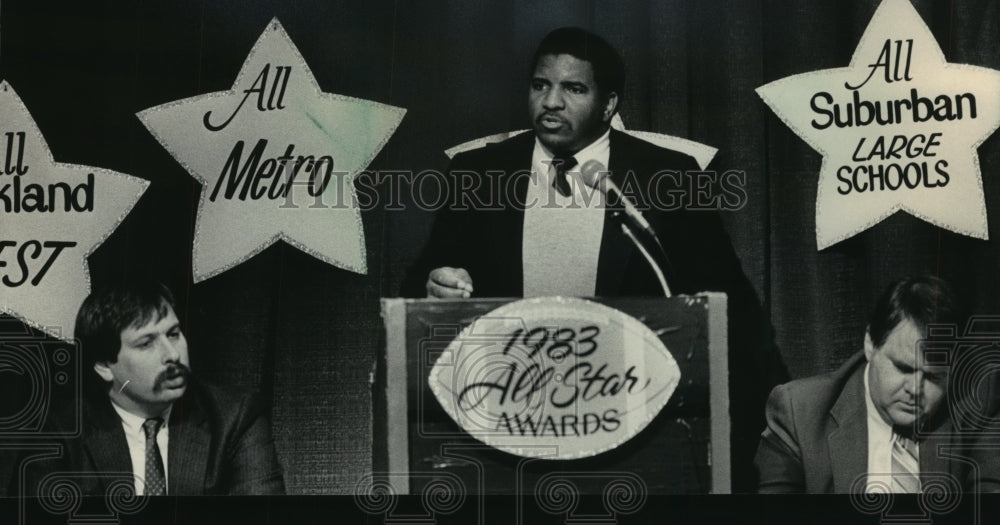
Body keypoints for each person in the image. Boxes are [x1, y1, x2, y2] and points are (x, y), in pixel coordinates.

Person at [402, 26, 786, 492]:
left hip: (633, 430)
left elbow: (732, 311)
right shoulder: (478, 173)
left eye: (574, 88)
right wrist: (436, 284)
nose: (551, 102)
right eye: (541, 85)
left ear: (608, 105)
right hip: (509, 430)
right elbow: (422, 283)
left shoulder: (668, 176)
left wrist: (775, 444)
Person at [9, 280, 285, 496]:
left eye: (174, 334)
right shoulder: (58, 434)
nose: (172, 355)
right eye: (146, 343)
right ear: (105, 365)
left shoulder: (235, 418)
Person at [755, 275, 970, 493]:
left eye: (933, 377)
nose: (915, 390)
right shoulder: (799, 413)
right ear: (870, 343)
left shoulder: (974, 408)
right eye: (904, 368)